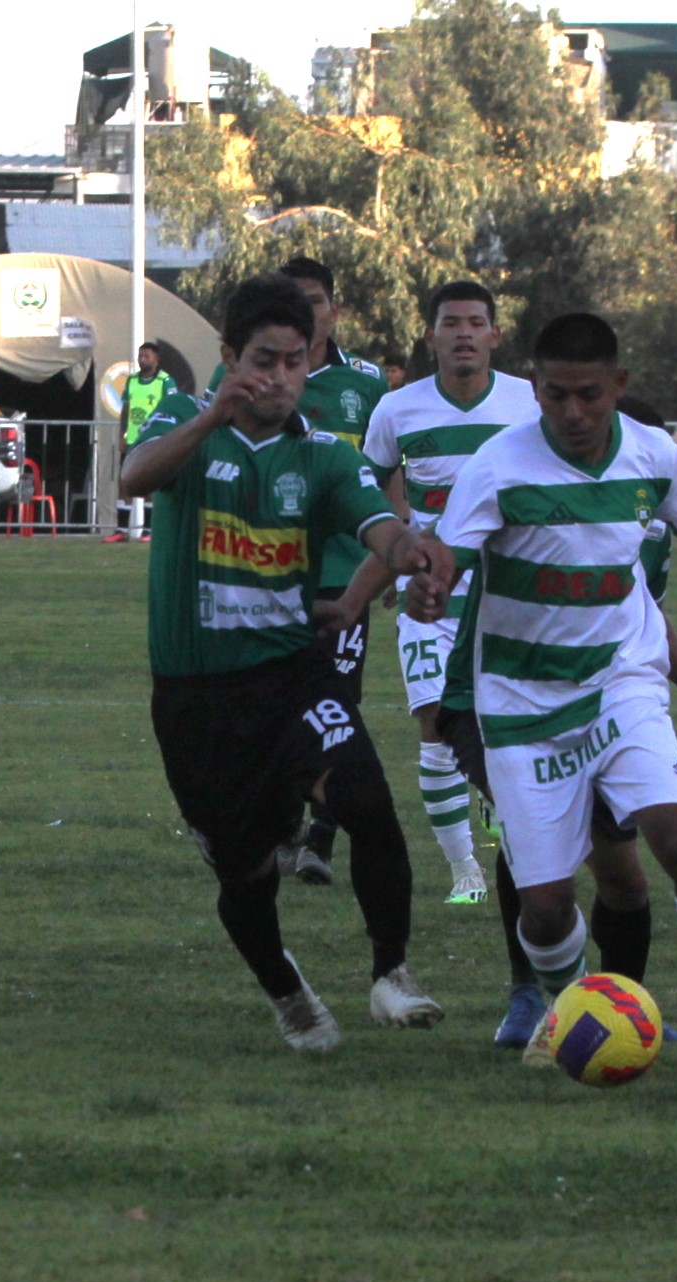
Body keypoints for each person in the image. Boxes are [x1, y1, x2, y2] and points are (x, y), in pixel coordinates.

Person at [412, 311, 677, 1077]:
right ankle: (572, 1013)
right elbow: (448, 560)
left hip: (618, 686)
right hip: (519, 706)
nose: (572, 413)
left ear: (619, 387)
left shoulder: (654, 454)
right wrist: (431, 587)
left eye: (589, 396)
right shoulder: (498, 465)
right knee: (546, 908)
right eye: (555, 395)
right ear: (534, 389)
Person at [119, 272, 444, 1051]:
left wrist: (414, 556)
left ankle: (391, 975)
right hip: (197, 697)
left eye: (295, 362)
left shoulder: (324, 458)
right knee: (246, 873)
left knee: (367, 802)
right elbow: (132, 478)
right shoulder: (181, 418)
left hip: (292, 676)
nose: (280, 378)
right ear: (229, 357)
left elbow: (380, 529)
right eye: (264, 360)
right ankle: (288, 991)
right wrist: (213, 417)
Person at [360, 281, 539, 905]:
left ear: (494, 333)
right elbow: (372, 490)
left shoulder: (528, 404)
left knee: (503, 730)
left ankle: (498, 807)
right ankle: (466, 870)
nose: (463, 332)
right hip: (430, 598)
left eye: (475, 322)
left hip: (511, 597)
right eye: (451, 323)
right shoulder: (397, 410)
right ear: (431, 334)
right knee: (435, 725)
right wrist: (391, 557)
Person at [274, 256, 390, 885]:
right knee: (274, 703)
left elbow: (389, 479)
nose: (306, 312)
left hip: (347, 574)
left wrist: (394, 561)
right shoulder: (252, 376)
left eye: (316, 301)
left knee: (338, 703)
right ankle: (284, 826)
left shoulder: (367, 387)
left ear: (334, 310)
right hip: (269, 569)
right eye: (292, 300)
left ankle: (321, 838)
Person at [108, 342, 175, 542]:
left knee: (149, 485)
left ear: (156, 359)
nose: (142, 359)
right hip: (134, 439)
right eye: (140, 356)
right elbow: (126, 410)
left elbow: (171, 408)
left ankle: (148, 531)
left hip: (153, 439)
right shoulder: (132, 380)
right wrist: (122, 435)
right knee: (124, 483)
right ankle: (121, 531)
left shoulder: (165, 381)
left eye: (146, 356)